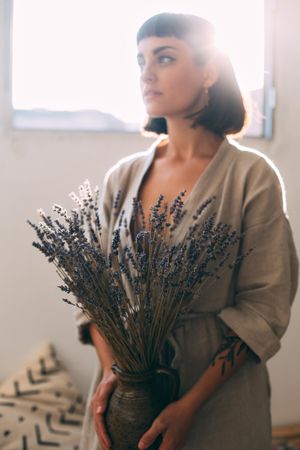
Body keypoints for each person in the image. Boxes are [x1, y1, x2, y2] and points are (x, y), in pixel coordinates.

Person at [75, 12, 299, 450]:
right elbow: (92, 288)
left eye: (165, 57)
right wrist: (116, 376)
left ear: (209, 70)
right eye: (140, 61)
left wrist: (190, 405)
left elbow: (264, 308)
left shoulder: (251, 178)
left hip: (218, 403)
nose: (147, 73)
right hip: (122, 404)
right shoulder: (122, 178)